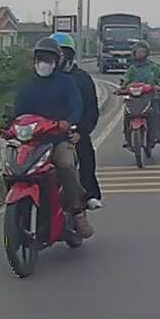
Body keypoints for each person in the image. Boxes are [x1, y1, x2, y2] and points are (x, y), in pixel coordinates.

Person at [12, 37, 93, 237]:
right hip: (32, 142)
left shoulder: (66, 83)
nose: (43, 63)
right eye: (40, 58)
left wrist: (68, 122)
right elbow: (18, 112)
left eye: (48, 59)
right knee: (13, 168)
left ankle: (77, 209)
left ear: (56, 61)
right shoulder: (27, 86)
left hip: (58, 140)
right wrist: (8, 126)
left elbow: (77, 106)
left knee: (65, 164)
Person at [51, 32, 104, 210]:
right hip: (46, 133)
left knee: (85, 155)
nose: (57, 57)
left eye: (61, 53)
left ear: (70, 54)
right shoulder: (42, 79)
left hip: (74, 132)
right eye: (54, 53)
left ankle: (89, 195)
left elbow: (91, 110)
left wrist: (81, 132)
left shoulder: (81, 78)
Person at [121, 40, 160, 143]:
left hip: (150, 95)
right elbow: (126, 79)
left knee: (155, 110)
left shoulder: (154, 67)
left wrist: (159, 86)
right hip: (135, 96)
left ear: (147, 53)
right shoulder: (132, 68)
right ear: (134, 53)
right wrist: (123, 86)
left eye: (143, 52)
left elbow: (159, 79)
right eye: (138, 52)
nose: (140, 54)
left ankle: (157, 133)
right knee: (127, 113)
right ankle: (127, 136)